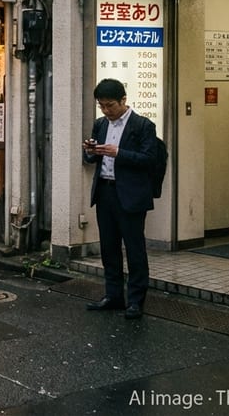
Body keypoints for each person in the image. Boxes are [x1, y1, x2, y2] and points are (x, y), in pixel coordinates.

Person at [81, 78, 159, 321]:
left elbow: (149, 159)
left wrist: (119, 153)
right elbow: (90, 160)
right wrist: (90, 151)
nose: (106, 110)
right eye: (101, 105)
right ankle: (113, 294)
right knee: (109, 246)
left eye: (110, 105)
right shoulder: (100, 124)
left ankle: (136, 300)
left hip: (131, 193)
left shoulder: (143, 125)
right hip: (105, 190)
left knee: (134, 248)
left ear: (123, 100)